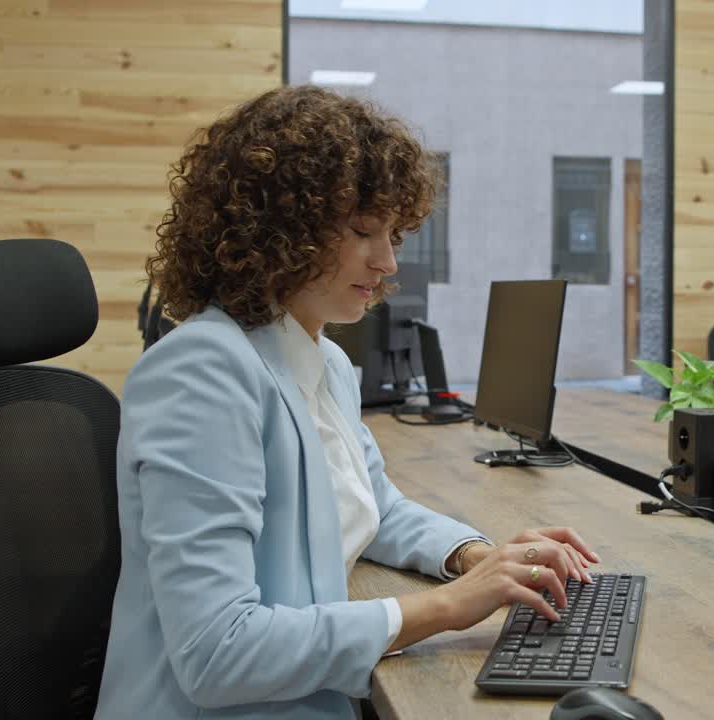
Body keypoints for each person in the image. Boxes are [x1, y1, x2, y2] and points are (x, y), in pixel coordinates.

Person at [95, 86, 600, 719]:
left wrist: (479, 559)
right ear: (279, 230)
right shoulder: (200, 370)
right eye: (363, 231)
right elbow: (215, 653)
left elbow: (372, 506)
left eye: (394, 233)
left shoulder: (323, 360)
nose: (388, 261)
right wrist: (447, 608)